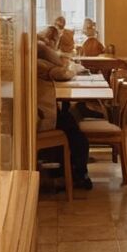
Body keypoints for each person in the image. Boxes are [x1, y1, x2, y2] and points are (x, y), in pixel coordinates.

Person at [37, 36, 92, 189]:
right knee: (77, 136)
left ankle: (66, 171)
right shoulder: (41, 65)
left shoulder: (34, 63)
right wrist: (47, 50)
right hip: (42, 116)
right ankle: (77, 176)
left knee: (72, 123)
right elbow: (64, 72)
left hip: (40, 113)